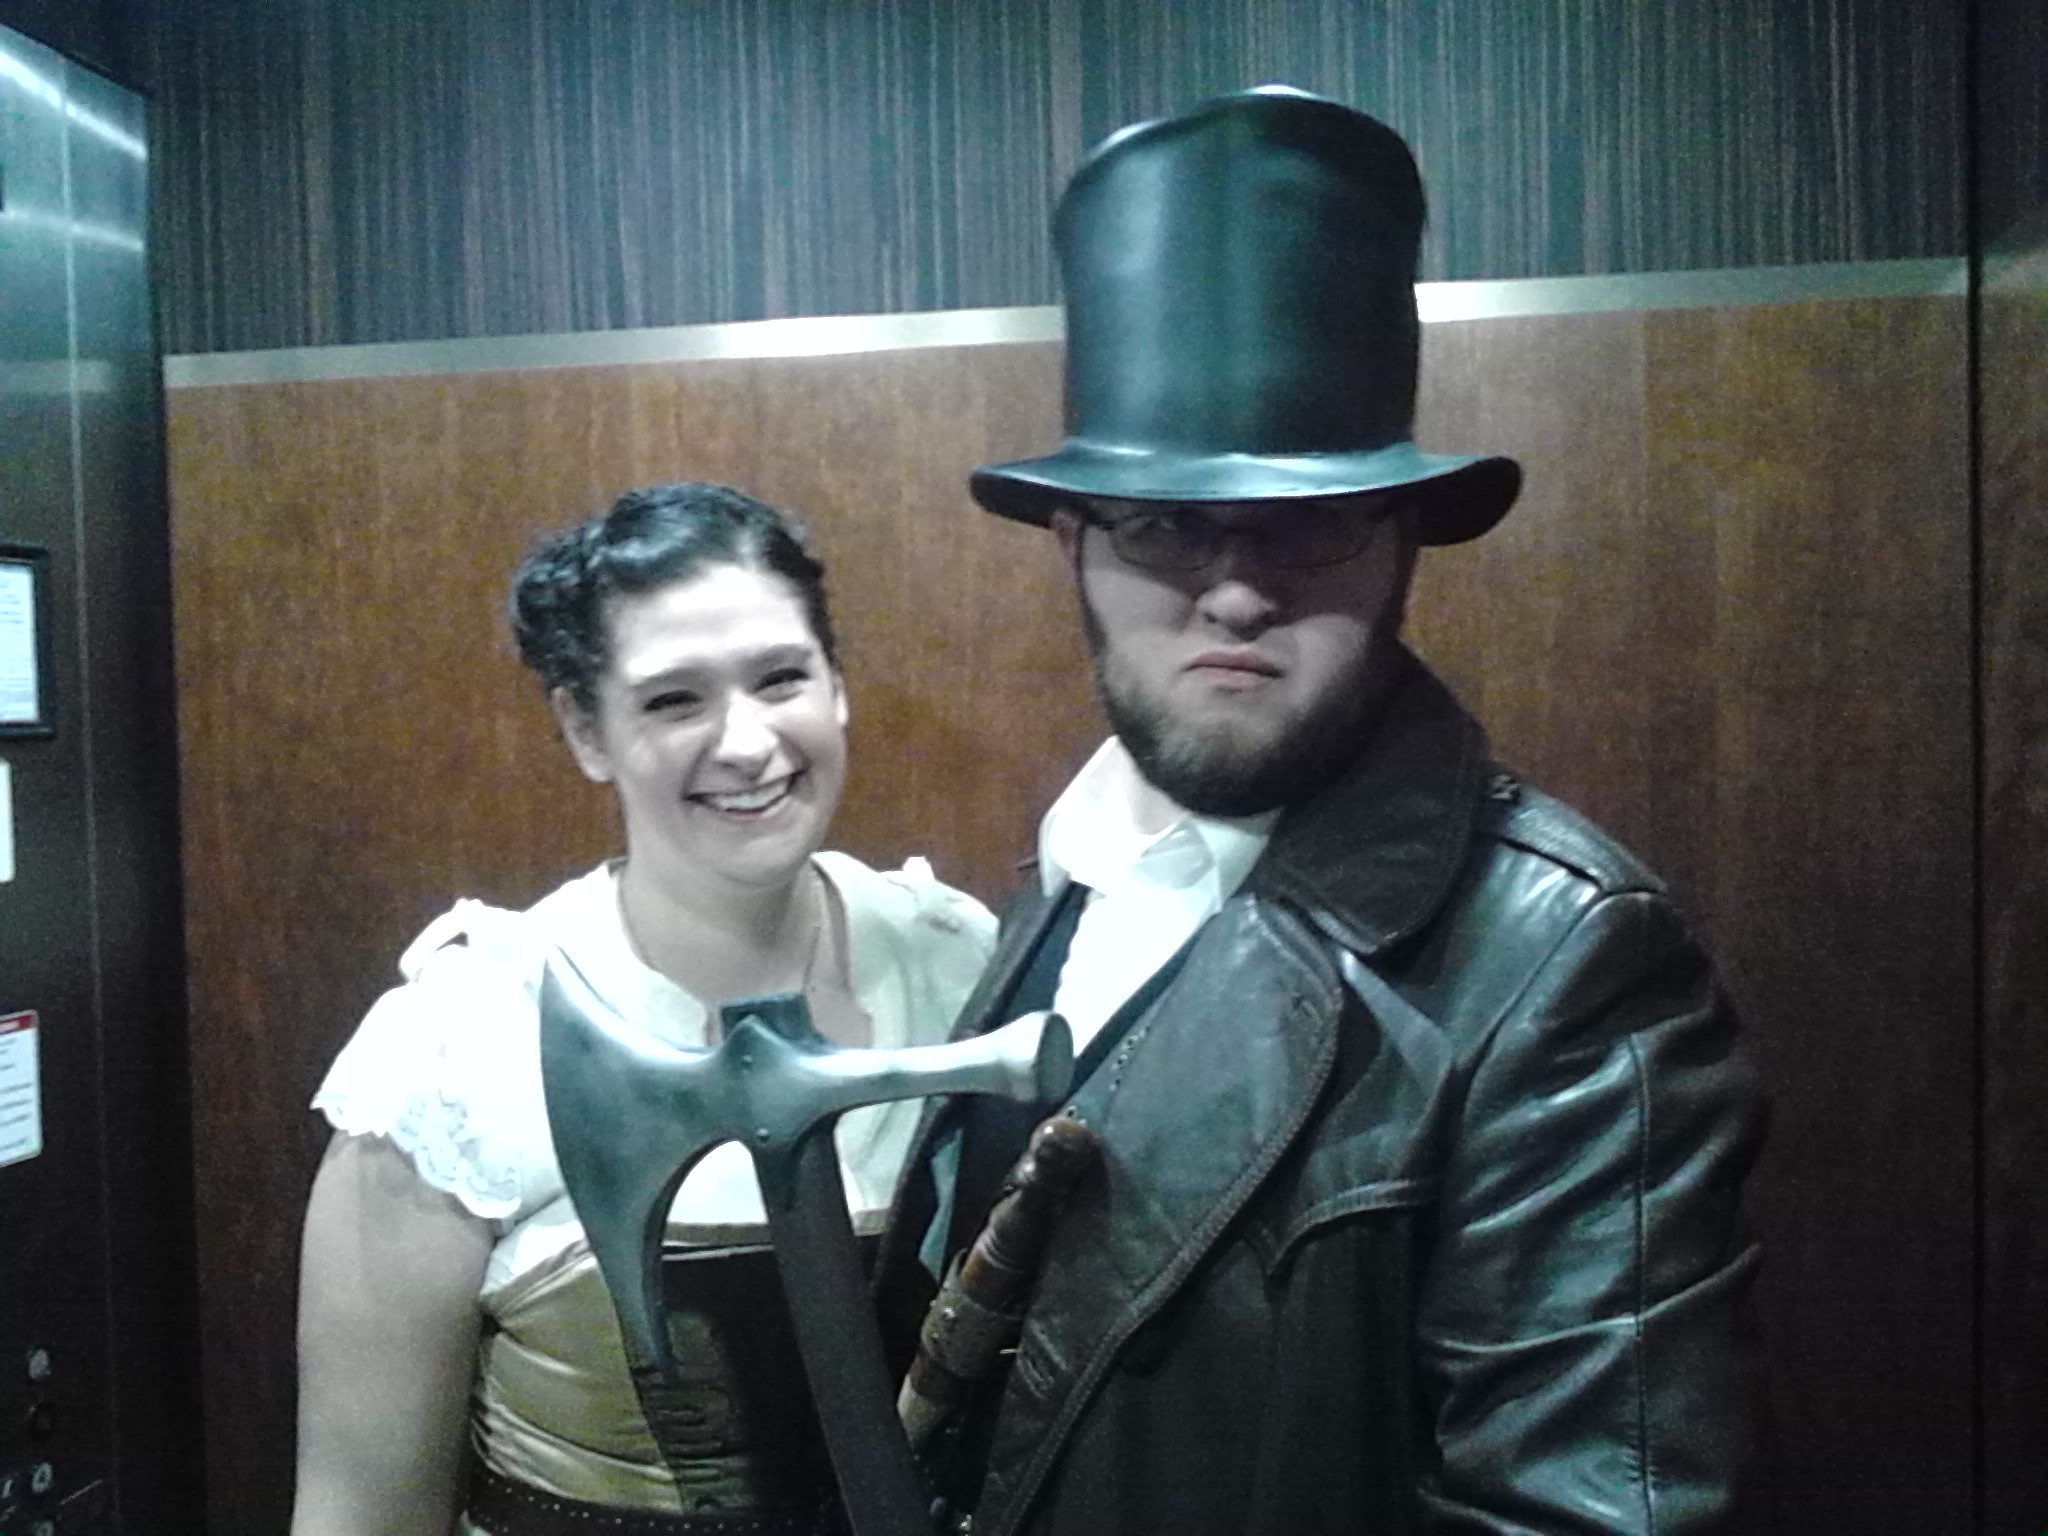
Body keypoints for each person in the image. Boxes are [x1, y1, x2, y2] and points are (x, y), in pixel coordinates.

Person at [876, 88, 1765, 1535]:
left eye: (1307, 519)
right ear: (1072, 542)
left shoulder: (1566, 969)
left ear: (1402, 537)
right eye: (1164, 523)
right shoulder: (1060, 882)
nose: (1235, 590)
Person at [292, 482, 996, 1536]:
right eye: (674, 700)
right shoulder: (455, 1047)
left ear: (837, 685)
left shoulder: (958, 962)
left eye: (781, 678)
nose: (748, 743)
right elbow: (361, 1509)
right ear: (586, 731)